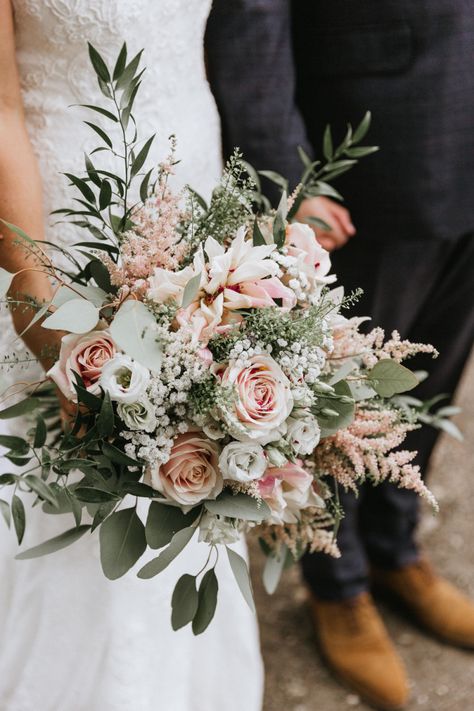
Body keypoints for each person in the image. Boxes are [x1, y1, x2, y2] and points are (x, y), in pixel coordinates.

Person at [206, 1, 474, 709]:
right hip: (374, 146)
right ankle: (338, 581)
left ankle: (393, 547)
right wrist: (284, 179)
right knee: (333, 403)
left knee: (434, 378)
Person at [0, 2, 263, 710]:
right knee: (72, 480)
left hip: (193, 194)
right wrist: (43, 316)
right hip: (62, 226)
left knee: (188, 462)